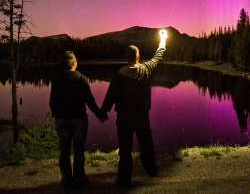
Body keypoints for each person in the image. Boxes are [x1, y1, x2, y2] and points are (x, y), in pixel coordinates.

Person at [100, 43, 166, 187]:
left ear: (125, 57)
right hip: (142, 116)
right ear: (138, 57)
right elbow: (156, 59)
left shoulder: (118, 76)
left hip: (124, 118)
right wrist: (162, 44)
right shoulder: (145, 69)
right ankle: (151, 169)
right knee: (146, 144)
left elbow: (110, 97)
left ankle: (124, 180)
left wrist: (102, 113)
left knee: (125, 150)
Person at [49, 51, 106, 190]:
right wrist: (100, 114)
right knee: (79, 151)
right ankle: (79, 179)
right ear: (75, 63)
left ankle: (67, 180)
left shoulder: (56, 79)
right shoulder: (82, 79)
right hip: (79, 120)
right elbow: (90, 101)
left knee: (64, 151)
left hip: (62, 120)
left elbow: (52, 101)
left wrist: (56, 114)